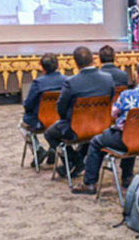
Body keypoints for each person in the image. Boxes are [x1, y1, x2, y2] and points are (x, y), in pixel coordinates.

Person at [71, 60, 139, 194]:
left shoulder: (127, 95)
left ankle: (89, 183)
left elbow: (113, 113)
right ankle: (127, 176)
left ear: (136, 75)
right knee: (134, 132)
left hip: (128, 139)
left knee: (96, 141)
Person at [45, 46, 115, 178]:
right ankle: (78, 161)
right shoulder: (108, 78)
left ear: (75, 63)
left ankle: (76, 160)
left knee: (49, 133)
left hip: (76, 127)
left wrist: (67, 119)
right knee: (89, 134)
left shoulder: (71, 82)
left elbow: (61, 107)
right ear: (93, 59)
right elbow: (110, 100)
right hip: (101, 125)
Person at [19, 53, 67, 164]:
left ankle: (37, 150)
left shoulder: (38, 83)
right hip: (62, 121)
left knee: (22, 125)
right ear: (58, 65)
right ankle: (53, 147)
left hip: (40, 122)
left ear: (42, 68)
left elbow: (28, 104)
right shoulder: (67, 81)